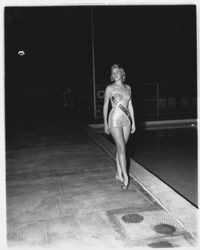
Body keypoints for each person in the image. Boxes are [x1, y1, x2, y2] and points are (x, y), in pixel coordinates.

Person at [103, 64, 136, 190]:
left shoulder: (128, 87)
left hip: (126, 120)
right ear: (112, 76)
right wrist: (105, 123)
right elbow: (106, 106)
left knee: (121, 148)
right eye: (113, 73)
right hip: (114, 120)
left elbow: (130, 105)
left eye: (117, 72)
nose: (115, 74)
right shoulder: (109, 88)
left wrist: (133, 122)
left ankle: (118, 174)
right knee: (122, 149)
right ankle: (125, 177)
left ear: (122, 73)